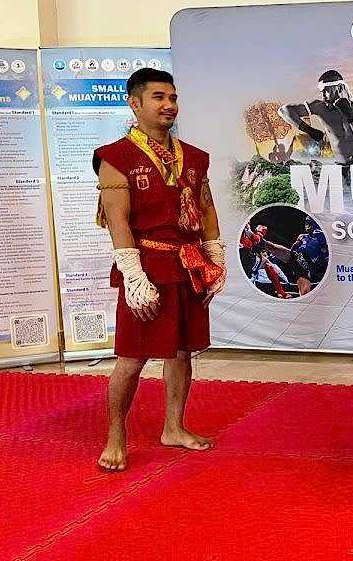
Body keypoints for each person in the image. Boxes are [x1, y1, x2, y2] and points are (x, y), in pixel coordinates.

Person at [93, 68, 226, 472]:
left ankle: (174, 427)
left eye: (173, 97)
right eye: (158, 97)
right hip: (147, 265)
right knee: (132, 358)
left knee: (182, 352)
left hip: (188, 265)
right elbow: (117, 220)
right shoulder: (116, 157)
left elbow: (205, 209)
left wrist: (215, 256)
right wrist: (133, 275)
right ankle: (116, 435)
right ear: (134, 103)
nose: (169, 105)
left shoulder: (194, 156)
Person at [277, 69, 353, 165]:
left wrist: (349, 114)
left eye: (326, 91)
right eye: (322, 92)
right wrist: (309, 130)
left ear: (339, 88)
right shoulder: (321, 108)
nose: (323, 96)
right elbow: (284, 111)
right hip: (341, 166)